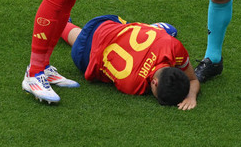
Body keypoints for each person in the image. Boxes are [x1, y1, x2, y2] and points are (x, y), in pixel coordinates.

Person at [60, 15, 200, 110]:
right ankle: (60, 23)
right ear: (154, 83)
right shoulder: (133, 85)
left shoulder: (174, 46)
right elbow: (193, 79)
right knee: (71, 32)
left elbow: (191, 79)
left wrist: (190, 95)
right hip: (85, 54)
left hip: (107, 22)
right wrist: (192, 96)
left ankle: (156, 29)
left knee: (163, 33)